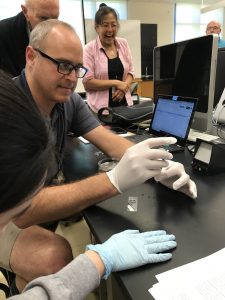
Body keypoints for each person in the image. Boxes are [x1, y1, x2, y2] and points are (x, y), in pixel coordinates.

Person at [0, 19, 197, 295]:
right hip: (7, 213)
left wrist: (158, 164)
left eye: (77, 68)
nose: (71, 78)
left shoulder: (67, 100)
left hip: (24, 200)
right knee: (54, 255)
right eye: (63, 65)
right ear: (30, 56)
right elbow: (22, 206)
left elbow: (111, 143)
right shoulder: (10, 108)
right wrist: (114, 181)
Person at [83, 3, 134, 113]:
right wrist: (116, 83)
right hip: (100, 111)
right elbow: (87, 82)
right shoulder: (89, 49)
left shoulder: (123, 43)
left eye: (113, 25)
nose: (110, 29)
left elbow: (131, 72)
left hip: (125, 107)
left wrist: (123, 88)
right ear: (97, 27)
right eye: (105, 25)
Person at [0, 0, 59, 77]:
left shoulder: (60, 34)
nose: (51, 27)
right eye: (44, 18)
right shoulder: (3, 34)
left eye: (55, 18)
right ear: (25, 12)